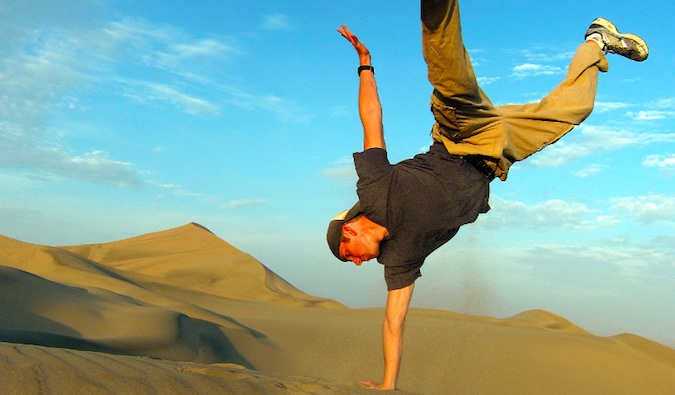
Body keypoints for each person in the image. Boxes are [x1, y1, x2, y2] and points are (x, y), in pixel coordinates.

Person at [328, 0, 648, 390]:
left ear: (349, 232)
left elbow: (372, 116)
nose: (359, 264)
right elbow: (393, 323)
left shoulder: (375, 188)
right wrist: (388, 385)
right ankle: (597, 41)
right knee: (574, 109)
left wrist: (365, 63)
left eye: (351, 257)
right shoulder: (399, 260)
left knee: (448, 69)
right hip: (499, 153)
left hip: (462, 133)